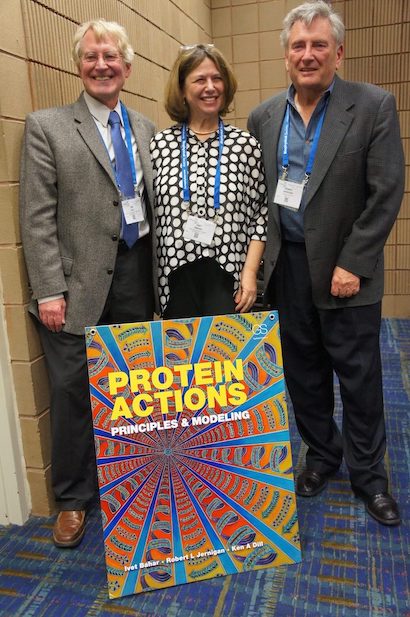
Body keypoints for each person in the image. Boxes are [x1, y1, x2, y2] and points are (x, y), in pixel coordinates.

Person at [248, 1, 404, 526]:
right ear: (286, 55)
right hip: (287, 269)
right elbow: (260, 196)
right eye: (298, 46)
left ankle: (370, 477)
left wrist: (354, 261)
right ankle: (322, 456)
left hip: (346, 270)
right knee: (304, 375)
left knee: (359, 377)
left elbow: (385, 193)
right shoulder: (264, 116)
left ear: (338, 52)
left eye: (319, 45)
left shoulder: (374, 105)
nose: (308, 54)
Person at [20, 19, 157, 547]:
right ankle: (74, 499)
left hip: (136, 272)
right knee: (73, 392)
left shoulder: (145, 128)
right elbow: (37, 215)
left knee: (132, 386)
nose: (102, 65)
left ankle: (128, 480)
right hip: (74, 287)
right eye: (91, 57)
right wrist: (48, 289)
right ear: (78, 66)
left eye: (111, 56)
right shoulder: (47, 125)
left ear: (127, 66)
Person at [150, 44, 267, 318]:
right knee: (181, 357)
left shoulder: (245, 146)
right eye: (200, 80)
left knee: (226, 357)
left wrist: (249, 274)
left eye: (217, 78)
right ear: (181, 89)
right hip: (174, 277)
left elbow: (261, 215)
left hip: (229, 275)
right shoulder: (158, 145)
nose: (211, 87)